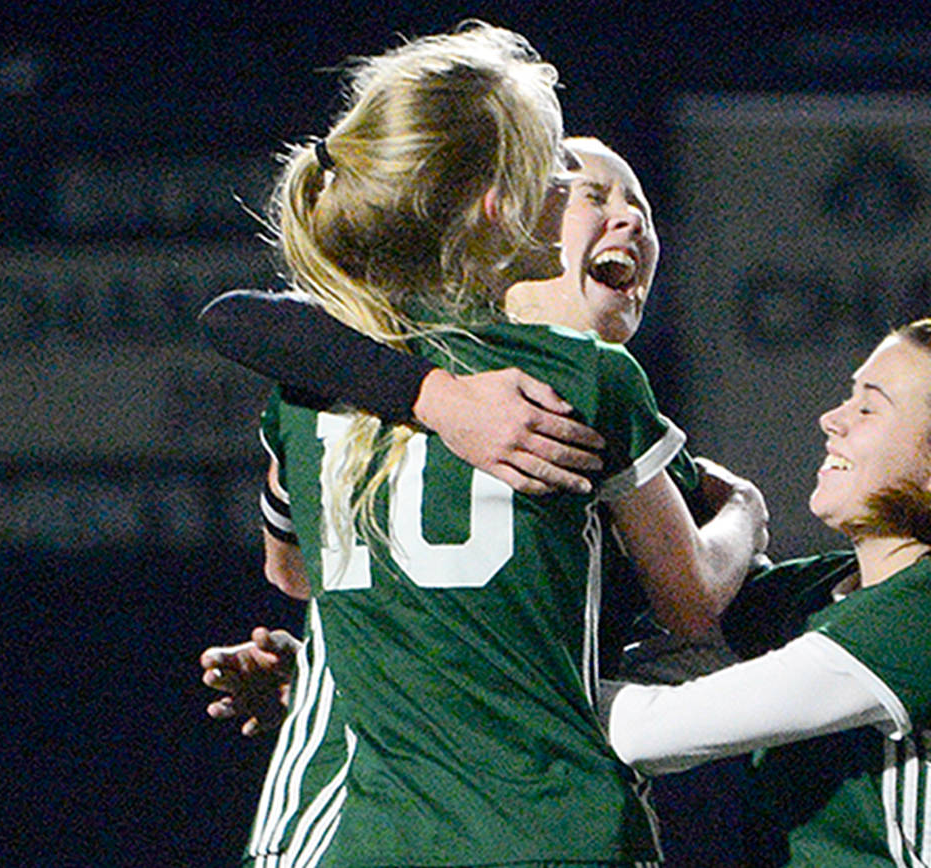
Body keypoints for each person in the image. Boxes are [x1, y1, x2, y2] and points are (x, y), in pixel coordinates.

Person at [219, 22, 769, 867]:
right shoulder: (584, 386)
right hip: (547, 828)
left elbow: (295, 572)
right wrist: (747, 512)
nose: (624, 217)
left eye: (642, 208)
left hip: (379, 841)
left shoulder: (319, 384)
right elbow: (695, 601)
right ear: (506, 211)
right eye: (567, 183)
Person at [602, 315, 931, 867]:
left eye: (869, 407)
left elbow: (648, 732)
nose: (831, 420)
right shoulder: (826, 592)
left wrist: (743, 509)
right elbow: (667, 624)